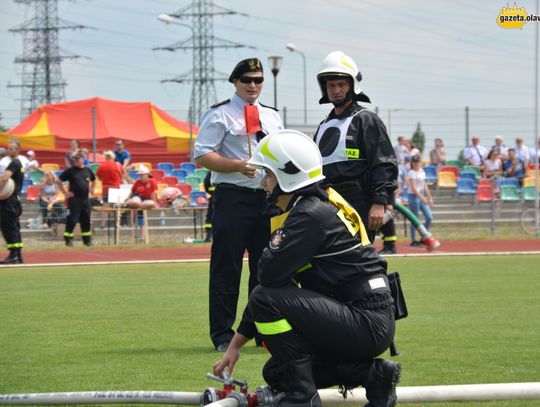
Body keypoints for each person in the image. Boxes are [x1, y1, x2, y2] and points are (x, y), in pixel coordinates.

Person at [213, 130, 400, 407]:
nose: (264, 182)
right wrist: (236, 345)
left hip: (363, 320)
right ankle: (374, 375)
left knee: (266, 296)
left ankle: (303, 398)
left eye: (268, 174)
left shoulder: (309, 214)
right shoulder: (321, 202)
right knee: (277, 372)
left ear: (288, 175)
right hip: (365, 315)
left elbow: (267, 279)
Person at [194, 57, 284, 352]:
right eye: (247, 79)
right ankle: (222, 334)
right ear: (235, 81)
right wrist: (235, 165)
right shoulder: (219, 114)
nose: (253, 85)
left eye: (258, 80)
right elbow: (202, 155)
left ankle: (262, 331)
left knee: (266, 270)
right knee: (226, 269)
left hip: (266, 199)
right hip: (232, 198)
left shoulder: (271, 116)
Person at [313, 51, 398, 243]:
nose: (336, 90)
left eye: (341, 84)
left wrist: (379, 202)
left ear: (352, 85)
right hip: (326, 203)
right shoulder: (323, 124)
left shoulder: (366, 120)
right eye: (331, 85)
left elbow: (384, 164)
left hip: (357, 202)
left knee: (355, 262)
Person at [56, 151, 96, 247]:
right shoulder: (70, 170)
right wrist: (65, 193)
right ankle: (68, 239)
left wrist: (92, 190)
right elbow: (58, 181)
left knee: (86, 220)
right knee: (72, 220)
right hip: (74, 200)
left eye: (78, 159)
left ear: (83, 159)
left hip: (85, 200)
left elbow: (94, 179)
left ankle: (87, 240)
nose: (76, 161)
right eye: (74, 159)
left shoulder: (87, 170)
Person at [0, 142, 25, 264]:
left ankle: (13, 255)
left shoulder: (14, 163)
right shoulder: (19, 164)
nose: (8, 150)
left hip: (9, 201)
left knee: (8, 226)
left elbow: (5, 178)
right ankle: (18, 255)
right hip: (15, 200)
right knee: (15, 226)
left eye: (11, 149)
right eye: (7, 148)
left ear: (17, 150)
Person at [97, 150, 128, 227]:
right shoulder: (117, 165)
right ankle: (117, 224)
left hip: (105, 188)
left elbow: (98, 177)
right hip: (116, 188)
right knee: (117, 207)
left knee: (105, 207)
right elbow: (125, 175)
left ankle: (103, 224)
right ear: (113, 157)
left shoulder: (101, 166)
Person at [407, 155, 433, 247]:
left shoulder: (422, 171)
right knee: (415, 218)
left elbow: (424, 185)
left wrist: (429, 197)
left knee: (429, 217)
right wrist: (423, 198)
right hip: (414, 196)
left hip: (421, 195)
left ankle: (423, 237)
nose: (416, 163)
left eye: (417, 162)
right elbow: (413, 188)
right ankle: (413, 240)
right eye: (414, 162)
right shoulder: (411, 172)